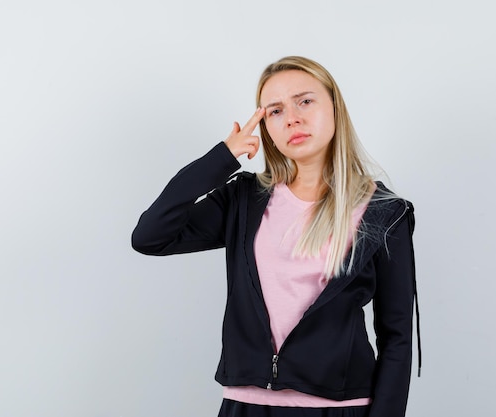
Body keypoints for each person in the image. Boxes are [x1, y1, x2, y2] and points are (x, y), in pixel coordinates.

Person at [132, 56, 419, 417]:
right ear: (266, 126)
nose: (292, 118)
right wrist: (222, 157)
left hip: (341, 408)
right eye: (275, 111)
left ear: (335, 106)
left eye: (305, 101)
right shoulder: (244, 200)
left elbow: (397, 339)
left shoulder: (385, 212)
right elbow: (149, 236)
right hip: (246, 406)